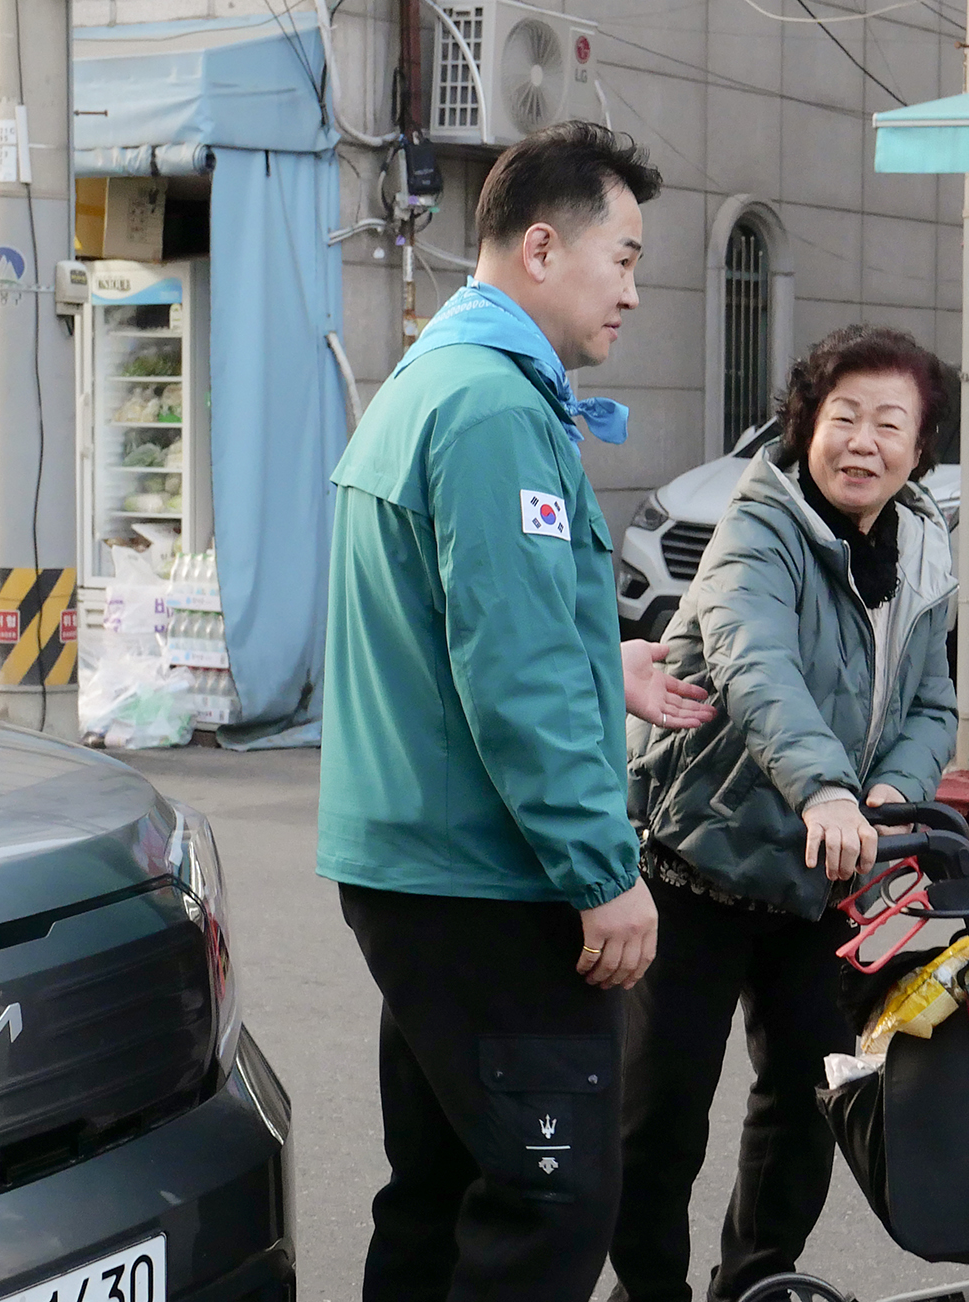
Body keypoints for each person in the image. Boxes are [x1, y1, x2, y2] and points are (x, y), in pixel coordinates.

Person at [318, 121, 713, 1302]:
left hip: (417, 862)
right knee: (550, 1201)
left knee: (439, 1192)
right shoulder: (493, 409)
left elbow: (481, 622)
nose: (634, 292)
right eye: (625, 257)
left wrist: (609, 661)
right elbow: (514, 670)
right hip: (481, 872)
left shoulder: (434, 379)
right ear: (541, 246)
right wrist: (601, 869)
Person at [608, 326, 960, 1302]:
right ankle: (645, 1293)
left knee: (808, 1102)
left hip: (824, 871)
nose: (862, 441)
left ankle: (754, 1284)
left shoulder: (924, 549)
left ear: (919, 446)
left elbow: (930, 703)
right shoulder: (756, 526)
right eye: (842, 415)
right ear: (805, 424)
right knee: (659, 1115)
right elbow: (753, 662)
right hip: (696, 857)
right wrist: (828, 787)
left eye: (889, 423)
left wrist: (890, 791)